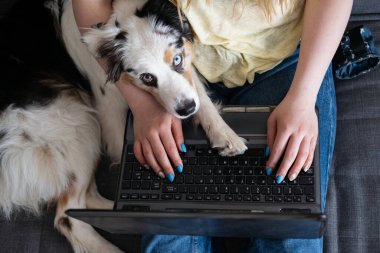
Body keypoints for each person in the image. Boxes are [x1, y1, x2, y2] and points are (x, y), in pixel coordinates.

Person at [72, 0, 353, 252]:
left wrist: (303, 99)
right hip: (175, 60)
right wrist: (143, 105)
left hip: (284, 56)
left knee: (288, 234)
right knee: (170, 240)